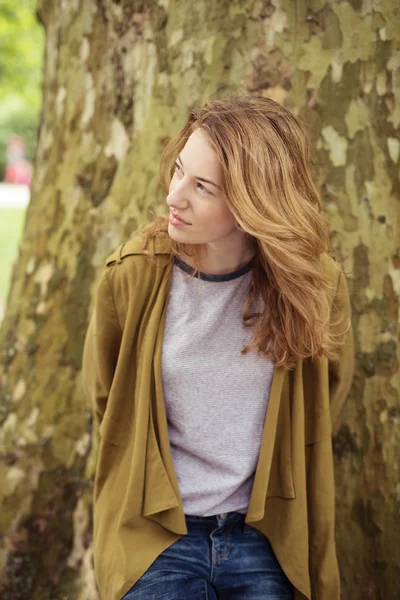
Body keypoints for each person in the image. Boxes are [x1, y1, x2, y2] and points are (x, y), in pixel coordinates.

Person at [82, 95, 354, 600]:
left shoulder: (315, 286)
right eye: (179, 169)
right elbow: (109, 399)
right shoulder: (133, 275)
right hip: (156, 535)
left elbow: (321, 402)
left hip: (268, 536)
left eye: (202, 187)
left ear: (255, 203)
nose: (174, 196)